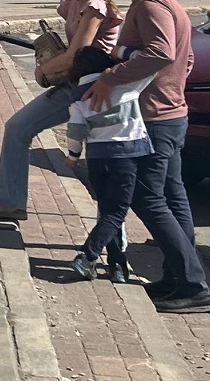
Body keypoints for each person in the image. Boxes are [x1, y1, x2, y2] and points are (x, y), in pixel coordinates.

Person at [83, 0, 210, 312]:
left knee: (146, 197)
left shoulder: (151, 5)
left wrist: (111, 77)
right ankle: (178, 276)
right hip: (169, 114)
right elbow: (182, 61)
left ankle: (192, 284)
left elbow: (163, 53)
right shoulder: (164, 3)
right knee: (172, 195)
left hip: (154, 119)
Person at [0, 0, 122, 221]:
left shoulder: (94, 7)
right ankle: (9, 200)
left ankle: (113, 237)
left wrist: (42, 70)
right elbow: (65, 16)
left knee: (101, 162)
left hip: (89, 85)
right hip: (75, 82)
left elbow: (74, 54)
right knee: (18, 128)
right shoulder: (74, 1)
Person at [61, 45, 152, 285]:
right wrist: (121, 51)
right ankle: (87, 255)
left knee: (106, 209)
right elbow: (149, 63)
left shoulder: (78, 95)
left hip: (97, 157)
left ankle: (117, 265)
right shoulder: (126, 85)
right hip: (126, 154)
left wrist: (73, 155)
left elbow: (75, 130)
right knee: (116, 212)